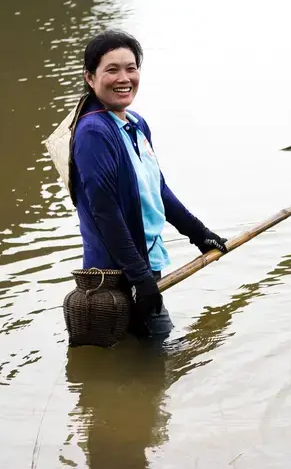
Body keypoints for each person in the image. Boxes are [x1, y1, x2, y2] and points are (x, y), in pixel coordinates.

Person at [70, 29, 228, 339]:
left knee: (141, 359)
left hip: (142, 262)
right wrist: (139, 277)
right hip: (116, 273)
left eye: (131, 68)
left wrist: (199, 233)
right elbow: (104, 212)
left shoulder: (134, 123)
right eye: (112, 70)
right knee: (158, 351)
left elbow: (157, 190)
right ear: (90, 78)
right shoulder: (93, 133)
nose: (124, 78)